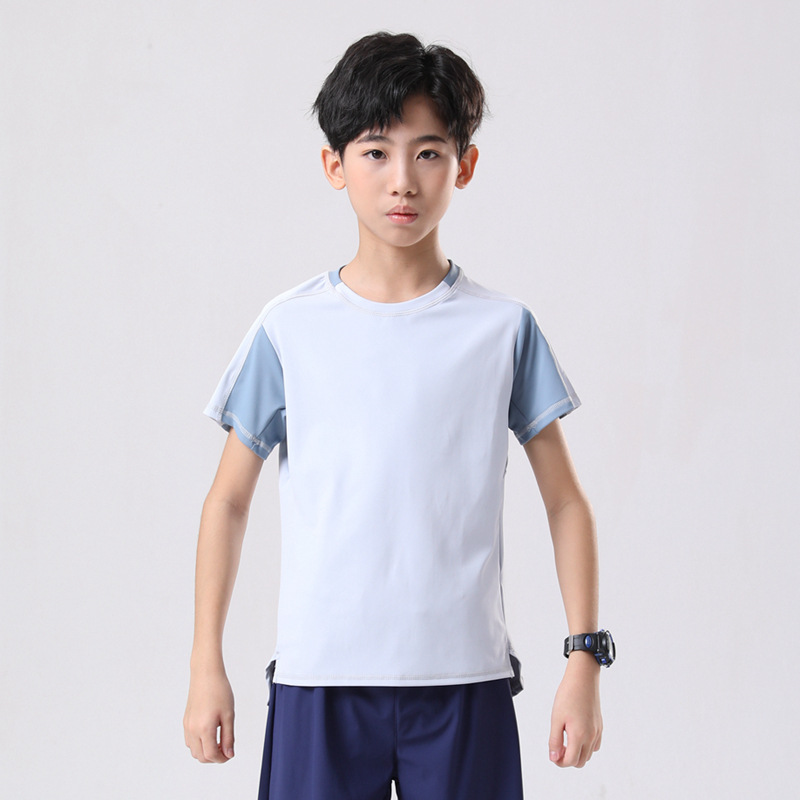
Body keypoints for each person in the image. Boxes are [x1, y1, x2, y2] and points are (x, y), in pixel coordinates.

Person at [183, 31, 610, 799]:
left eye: (429, 152)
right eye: (376, 152)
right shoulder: (288, 329)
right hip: (320, 678)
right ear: (334, 165)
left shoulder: (502, 329)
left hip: (464, 679)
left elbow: (566, 501)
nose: (402, 180)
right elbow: (228, 501)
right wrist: (204, 661)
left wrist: (584, 657)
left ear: (464, 165)